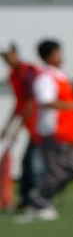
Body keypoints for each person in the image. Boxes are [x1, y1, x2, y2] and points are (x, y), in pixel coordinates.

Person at [24, 40, 73, 221]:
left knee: (71, 167)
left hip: (67, 131)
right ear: (49, 56)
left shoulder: (59, 75)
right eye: (58, 53)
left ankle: (40, 197)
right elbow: (45, 101)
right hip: (53, 130)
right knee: (55, 171)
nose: (61, 56)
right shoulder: (45, 77)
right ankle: (40, 202)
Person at [0, 40, 41, 213]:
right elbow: (19, 103)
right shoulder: (13, 75)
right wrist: (8, 126)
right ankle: (20, 200)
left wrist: (16, 128)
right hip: (28, 121)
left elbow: (31, 102)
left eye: (8, 56)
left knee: (32, 161)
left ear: (15, 53)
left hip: (39, 121)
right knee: (25, 161)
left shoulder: (28, 72)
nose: (6, 61)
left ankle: (34, 199)